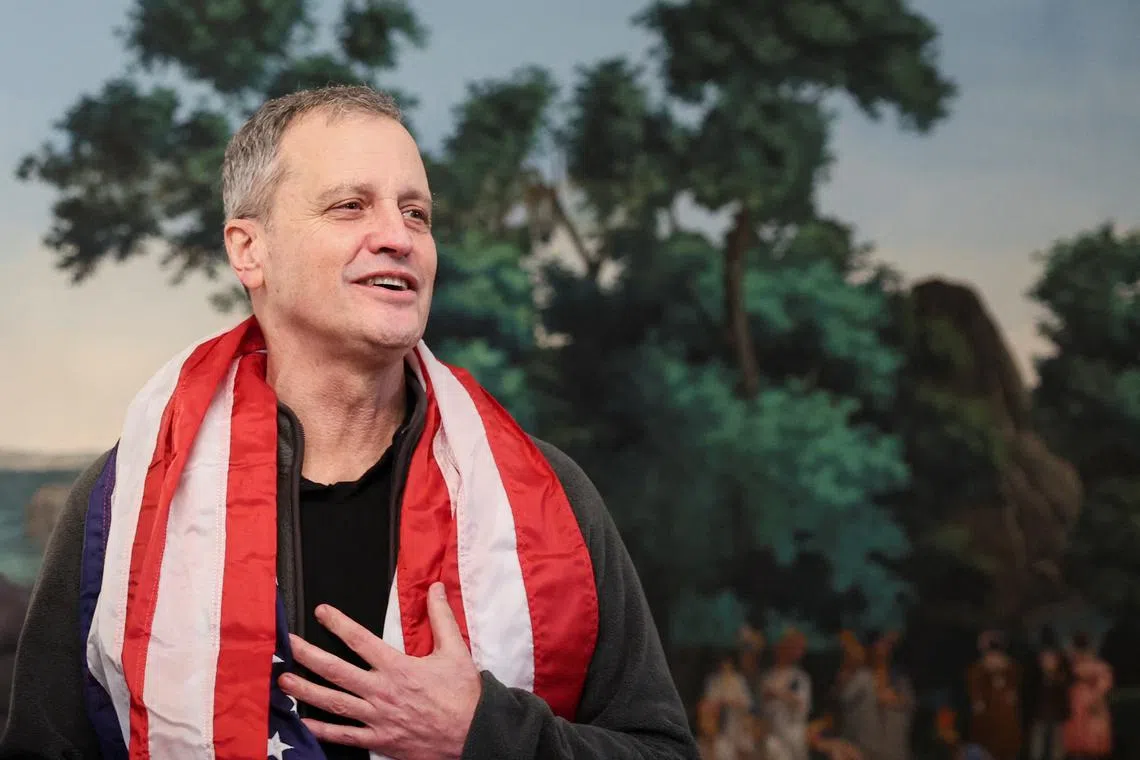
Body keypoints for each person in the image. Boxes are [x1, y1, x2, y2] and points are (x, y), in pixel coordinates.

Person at [0, 85, 699, 760]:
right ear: (249, 250)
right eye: (350, 206)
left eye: (416, 214)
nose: (398, 237)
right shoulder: (128, 497)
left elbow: (662, 751)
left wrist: (485, 734)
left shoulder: (547, 497)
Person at [966, 631, 1022, 760]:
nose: (993, 659)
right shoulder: (978, 672)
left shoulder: (1011, 670)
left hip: (1007, 733)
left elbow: (1014, 693)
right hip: (985, 732)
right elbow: (976, 698)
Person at [1062, 631, 1113, 759]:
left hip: (1083, 698)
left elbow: (1105, 682)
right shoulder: (1091, 664)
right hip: (1082, 698)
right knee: (1083, 731)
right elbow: (1105, 682)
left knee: (1088, 732)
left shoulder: (1076, 664)